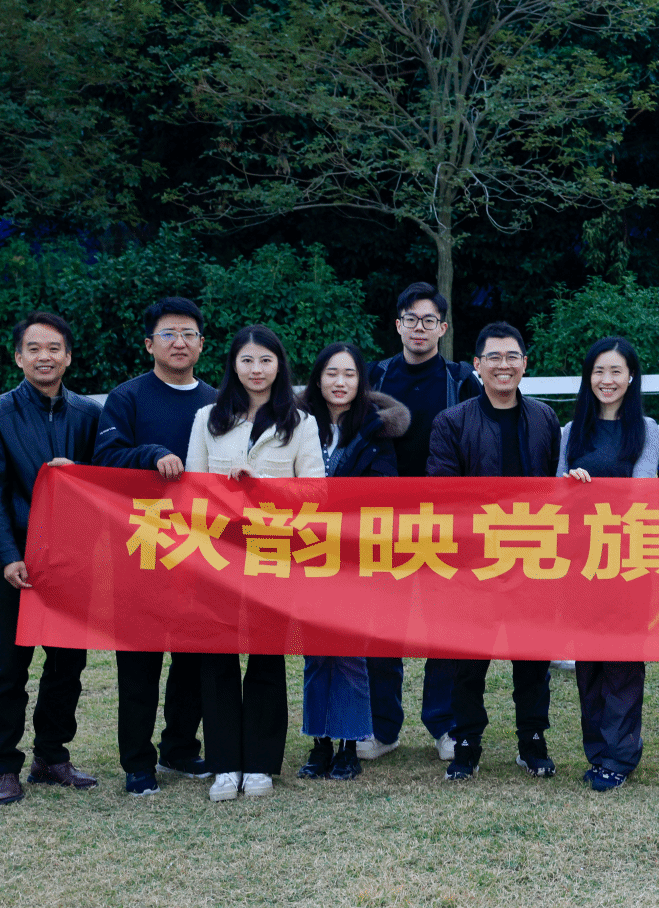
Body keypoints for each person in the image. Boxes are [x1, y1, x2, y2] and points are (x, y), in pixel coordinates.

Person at [185, 325, 325, 802]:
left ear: (279, 365)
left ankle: (262, 763)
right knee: (217, 658)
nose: (256, 370)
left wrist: (262, 487)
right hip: (218, 555)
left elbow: (316, 492)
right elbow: (193, 489)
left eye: (265, 360)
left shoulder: (300, 422)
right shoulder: (207, 418)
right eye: (247, 360)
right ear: (233, 366)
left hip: (273, 554)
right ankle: (225, 764)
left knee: (267, 656)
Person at [0, 312, 102, 804]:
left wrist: (80, 473)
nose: (44, 357)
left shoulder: (89, 414)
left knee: (67, 665)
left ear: (68, 357)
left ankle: (52, 756)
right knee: (10, 667)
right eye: (34, 348)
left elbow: (106, 482)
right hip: (19, 564)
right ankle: (4, 765)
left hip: (73, 563)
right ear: (18, 357)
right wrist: (7, 555)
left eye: (54, 348)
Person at [426, 321, 561, 781]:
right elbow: (442, 494)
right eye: (494, 358)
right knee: (468, 659)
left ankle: (532, 739)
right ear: (477, 365)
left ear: (525, 363)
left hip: (532, 554)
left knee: (533, 658)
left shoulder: (544, 418)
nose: (504, 366)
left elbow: (554, 487)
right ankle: (466, 742)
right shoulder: (452, 421)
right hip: (474, 559)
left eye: (512, 357)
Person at [94, 296, 215, 796]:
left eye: (188, 334)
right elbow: (106, 456)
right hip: (141, 545)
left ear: (202, 344)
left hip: (202, 548)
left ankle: (180, 748)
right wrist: (151, 454)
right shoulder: (127, 398)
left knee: (194, 657)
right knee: (140, 660)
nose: (179, 342)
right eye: (168, 334)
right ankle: (138, 763)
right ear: (149, 344)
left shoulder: (217, 401)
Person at [361, 283, 484, 765]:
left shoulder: (461, 380)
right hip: (381, 522)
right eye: (411, 319)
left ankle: (444, 723)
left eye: (429, 320)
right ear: (398, 325)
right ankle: (383, 727)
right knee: (380, 629)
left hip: (444, 524)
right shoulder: (375, 375)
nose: (419, 328)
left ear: (443, 328)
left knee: (444, 627)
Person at [293, 342, 408, 783]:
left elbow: (386, 492)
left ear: (362, 382)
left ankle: (348, 744)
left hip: (357, 558)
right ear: (318, 378)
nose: (339, 382)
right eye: (331, 373)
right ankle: (319, 742)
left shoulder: (377, 429)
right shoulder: (296, 424)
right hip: (307, 555)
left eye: (349, 374)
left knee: (351, 655)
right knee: (316, 655)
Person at [557, 336, 659, 791]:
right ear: (589, 377)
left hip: (629, 559)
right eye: (599, 371)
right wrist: (572, 485)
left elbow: (644, 490)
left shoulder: (647, 429)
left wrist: (596, 490)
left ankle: (621, 756)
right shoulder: (570, 431)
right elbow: (556, 493)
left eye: (616, 371)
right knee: (589, 663)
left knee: (622, 661)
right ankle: (598, 752)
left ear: (631, 377)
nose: (607, 380)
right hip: (583, 562)